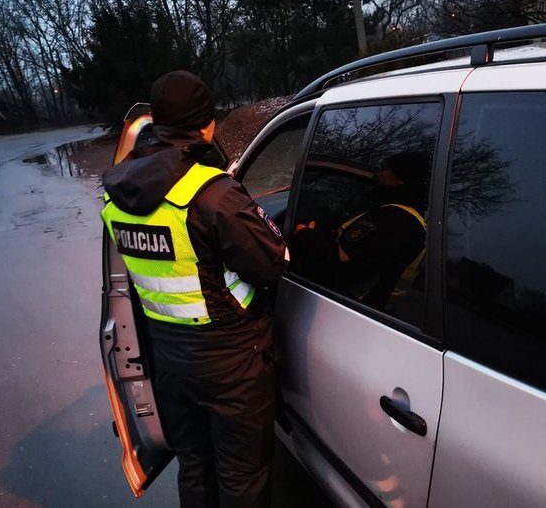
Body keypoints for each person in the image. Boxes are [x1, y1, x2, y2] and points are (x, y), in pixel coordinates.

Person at [100, 70, 287, 508]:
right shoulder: (213, 192)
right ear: (208, 124)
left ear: (157, 124)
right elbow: (272, 265)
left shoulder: (115, 196)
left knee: (196, 465)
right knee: (241, 475)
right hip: (233, 364)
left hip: (169, 359)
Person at [290, 151, 430, 310]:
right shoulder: (408, 219)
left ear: (399, 179)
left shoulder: (397, 220)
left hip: (337, 305)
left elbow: (347, 262)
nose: (379, 172)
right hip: (349, 306)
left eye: (385, 168)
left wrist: (305, 234)